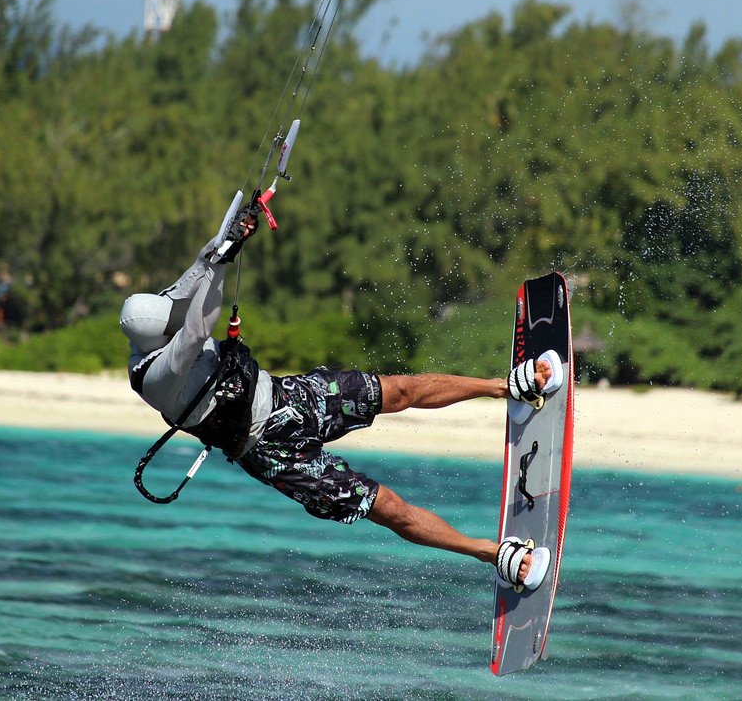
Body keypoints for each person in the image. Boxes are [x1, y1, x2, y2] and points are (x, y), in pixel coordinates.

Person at [120, 208, 565, 590]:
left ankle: (506, 387)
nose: (177, 320)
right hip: (271, 454)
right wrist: (221, 266)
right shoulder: (155, 377)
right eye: (170, 325)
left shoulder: (159, 314)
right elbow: (198, 327)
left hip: (286, 397)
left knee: (400, 390)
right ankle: (489, 554)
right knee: (387, 507)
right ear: (156, 340)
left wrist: (235, 230)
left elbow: (200, 269)